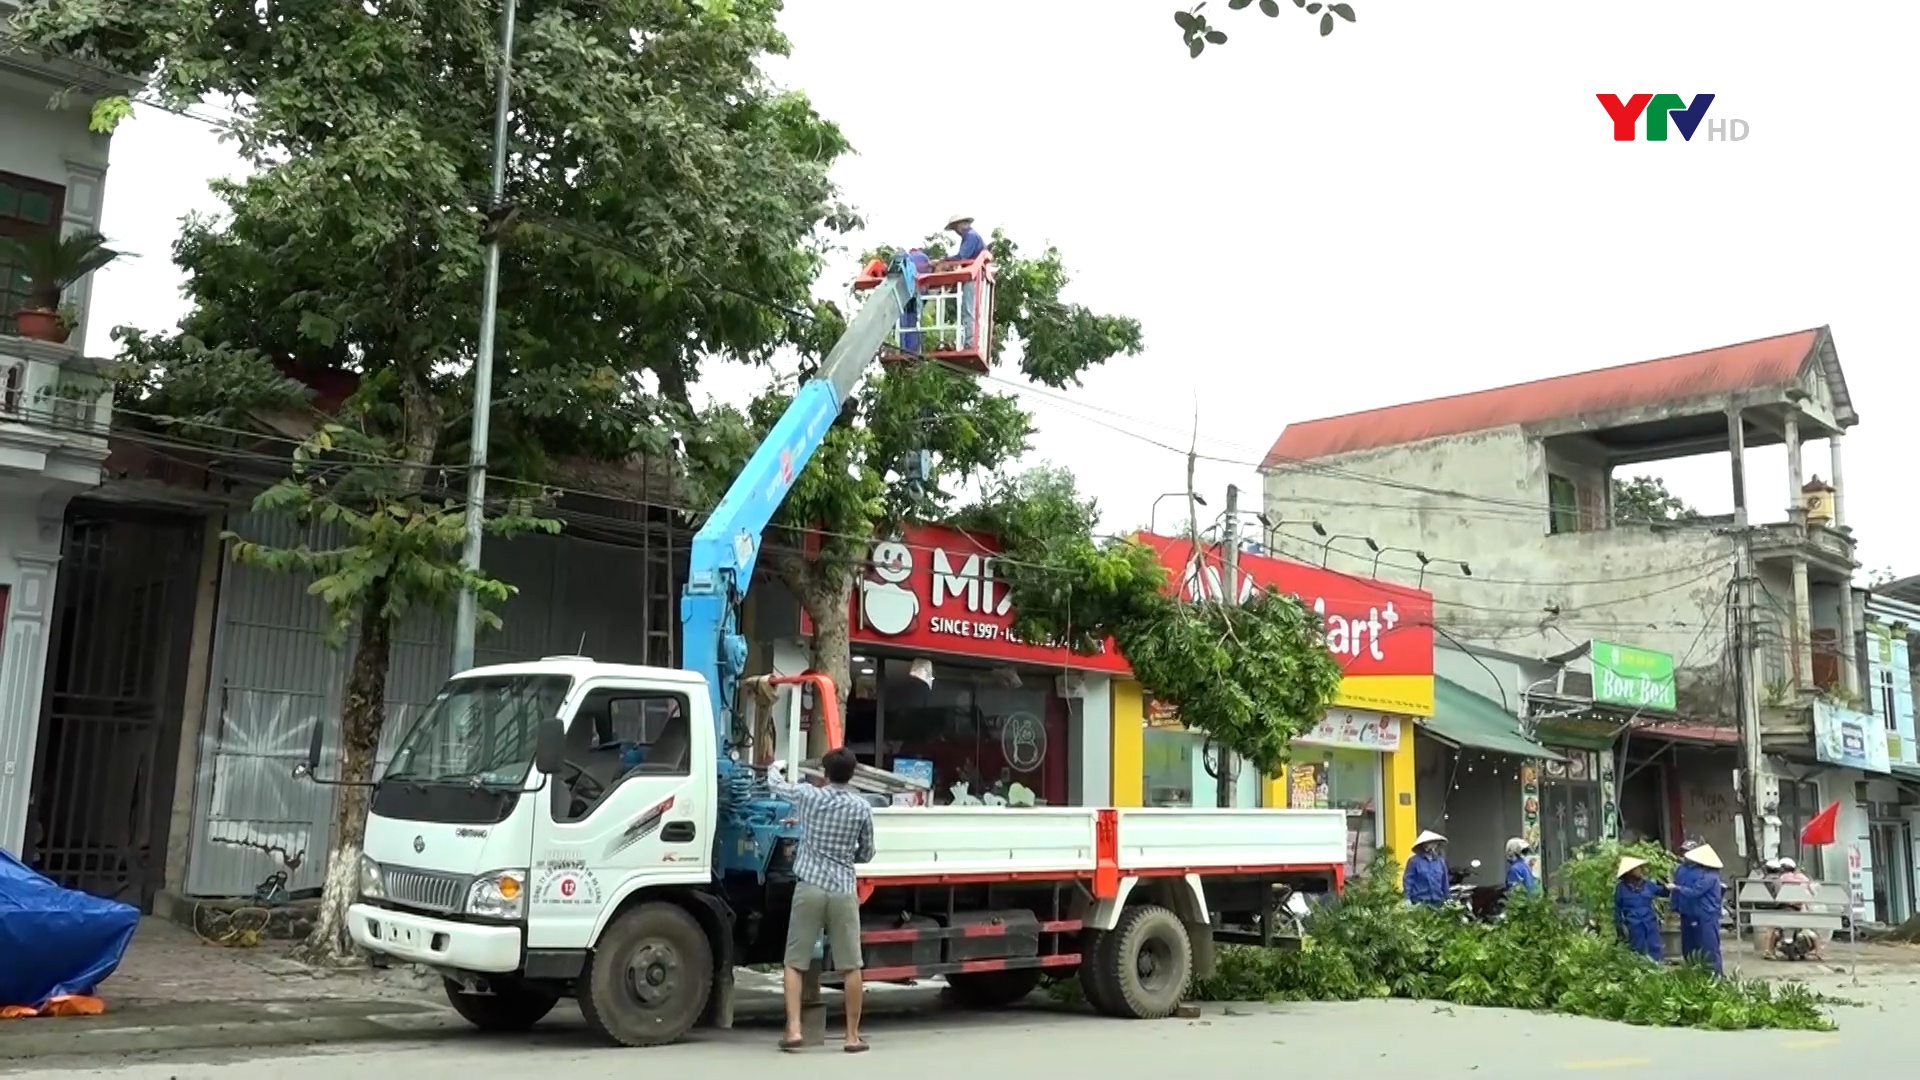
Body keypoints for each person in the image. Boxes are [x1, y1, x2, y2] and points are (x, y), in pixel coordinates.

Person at [768, 748, 876, 1053]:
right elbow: (867, 852)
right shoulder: (861, 807)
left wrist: (776, 765)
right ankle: (852, 1037)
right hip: (843, 889)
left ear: (825, 773)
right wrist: (848, 857)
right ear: (852, 774)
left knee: (794, 961)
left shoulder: (809, 796)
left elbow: (776, 786)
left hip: (810, 887)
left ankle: (793, 1030)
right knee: (851, 965)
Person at [1668, 842, 1725, 975]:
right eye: (1684, 851)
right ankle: (1693, 974)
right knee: (1689, 947)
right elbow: (1676, 890)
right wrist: (1674, 906)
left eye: (1688, 851)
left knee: (1709, 946)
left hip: (1706, 915)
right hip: (1687, 913)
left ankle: (1715, 975)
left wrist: (1678, 888)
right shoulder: (1681, 869)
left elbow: (1695, 891)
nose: (1685, 855)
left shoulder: (1709, 873)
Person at [939, 213, 985, 350]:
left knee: (968, 309)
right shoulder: (970, 236)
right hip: (973, 276)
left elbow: (962, 257)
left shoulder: (970, 236)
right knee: (969, 309)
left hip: (973, 276)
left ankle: (970, 343)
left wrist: (944, 261)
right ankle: (968, 341)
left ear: (962, 224)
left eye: (955, 227)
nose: (956, 231)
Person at [1614, 856, 1669, 959]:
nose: (1641, 870)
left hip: (1649, 922)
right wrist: (1620, 928)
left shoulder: (1648, 884)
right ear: (1630, 872)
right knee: (1637, 951)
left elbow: (1663, 892)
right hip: (1633, 924)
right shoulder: (1621, 888)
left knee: (1655, 948)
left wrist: (1666, 886)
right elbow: (1618, 909)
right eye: (1638, 868)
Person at [1402, 830, 1449, 906]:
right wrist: (1407, 898)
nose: (1433, 845)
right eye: (1431, 843)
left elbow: (1444, 881)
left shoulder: (1440, 861)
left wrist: (1448, 897)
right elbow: (1408, 881)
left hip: (1437, 901)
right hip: (1419, 901)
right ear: (1424, 845)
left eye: (1435, 843)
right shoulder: (1414, 861)